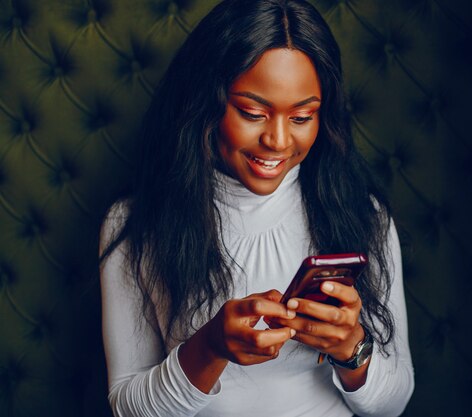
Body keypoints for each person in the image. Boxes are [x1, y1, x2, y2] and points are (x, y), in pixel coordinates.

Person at [99, 0, 414, 416]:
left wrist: (350, 346)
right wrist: (209, 348)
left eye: (302, 117)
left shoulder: (365, 215)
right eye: (252, 112)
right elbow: (127, 408)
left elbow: (394, 404)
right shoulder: (136, 224)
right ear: (204, 104)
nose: (279, 141)